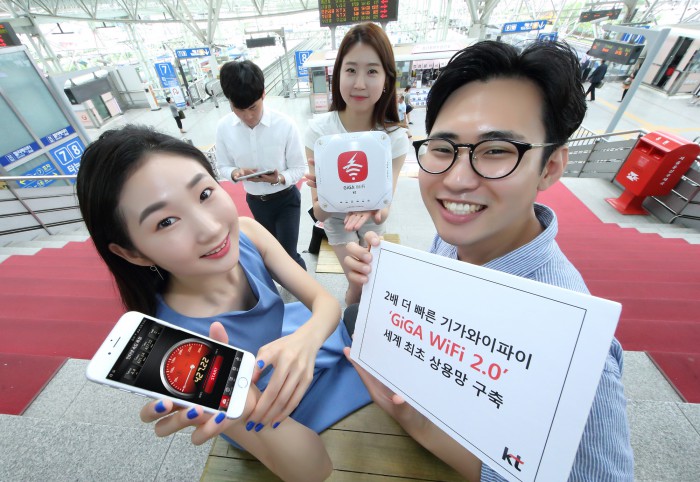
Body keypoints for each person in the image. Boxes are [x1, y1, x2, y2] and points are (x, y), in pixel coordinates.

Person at [343, 40, 634, 481]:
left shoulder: (576, 349)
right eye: (443, 148)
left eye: (496, 150)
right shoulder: (452, 243)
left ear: (551, 167)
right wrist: (363, 288)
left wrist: (419, 425)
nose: (457, 180)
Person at [75, 125, 371, 481]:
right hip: (257, 406)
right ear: (132, 253)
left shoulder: (246, 232)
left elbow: (324, 301)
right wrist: (243, 402)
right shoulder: (179, 344)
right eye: (166, 221)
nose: (211, 228)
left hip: (298, 345)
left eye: (204, 193)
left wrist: (305, 341)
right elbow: (312, 471)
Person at [304, 22, 409, 305]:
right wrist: (327, 193)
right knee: (357, 281)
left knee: (372, 279)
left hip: (372, 217)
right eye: (350, 70)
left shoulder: (394, 137)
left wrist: (371, 206)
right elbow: (320, 213)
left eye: (372, 71)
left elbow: (383, 211)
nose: (360, 83)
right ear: (337, 74)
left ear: (386, 79)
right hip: (337, 221)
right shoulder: (319, 132)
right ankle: (351, 323)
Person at [216, 60, 307, 270]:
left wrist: (279, 178)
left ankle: (304, 286)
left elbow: (299, 168)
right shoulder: (223, 128)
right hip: (256, 202)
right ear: (229, 102)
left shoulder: (285, 125)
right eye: (239, 109)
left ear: (263, 94)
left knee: (288, 254)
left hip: (286, 200)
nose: (248, 116)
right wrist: (235, 173)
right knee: (268, 253)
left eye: (253, 107)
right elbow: (222, 167)